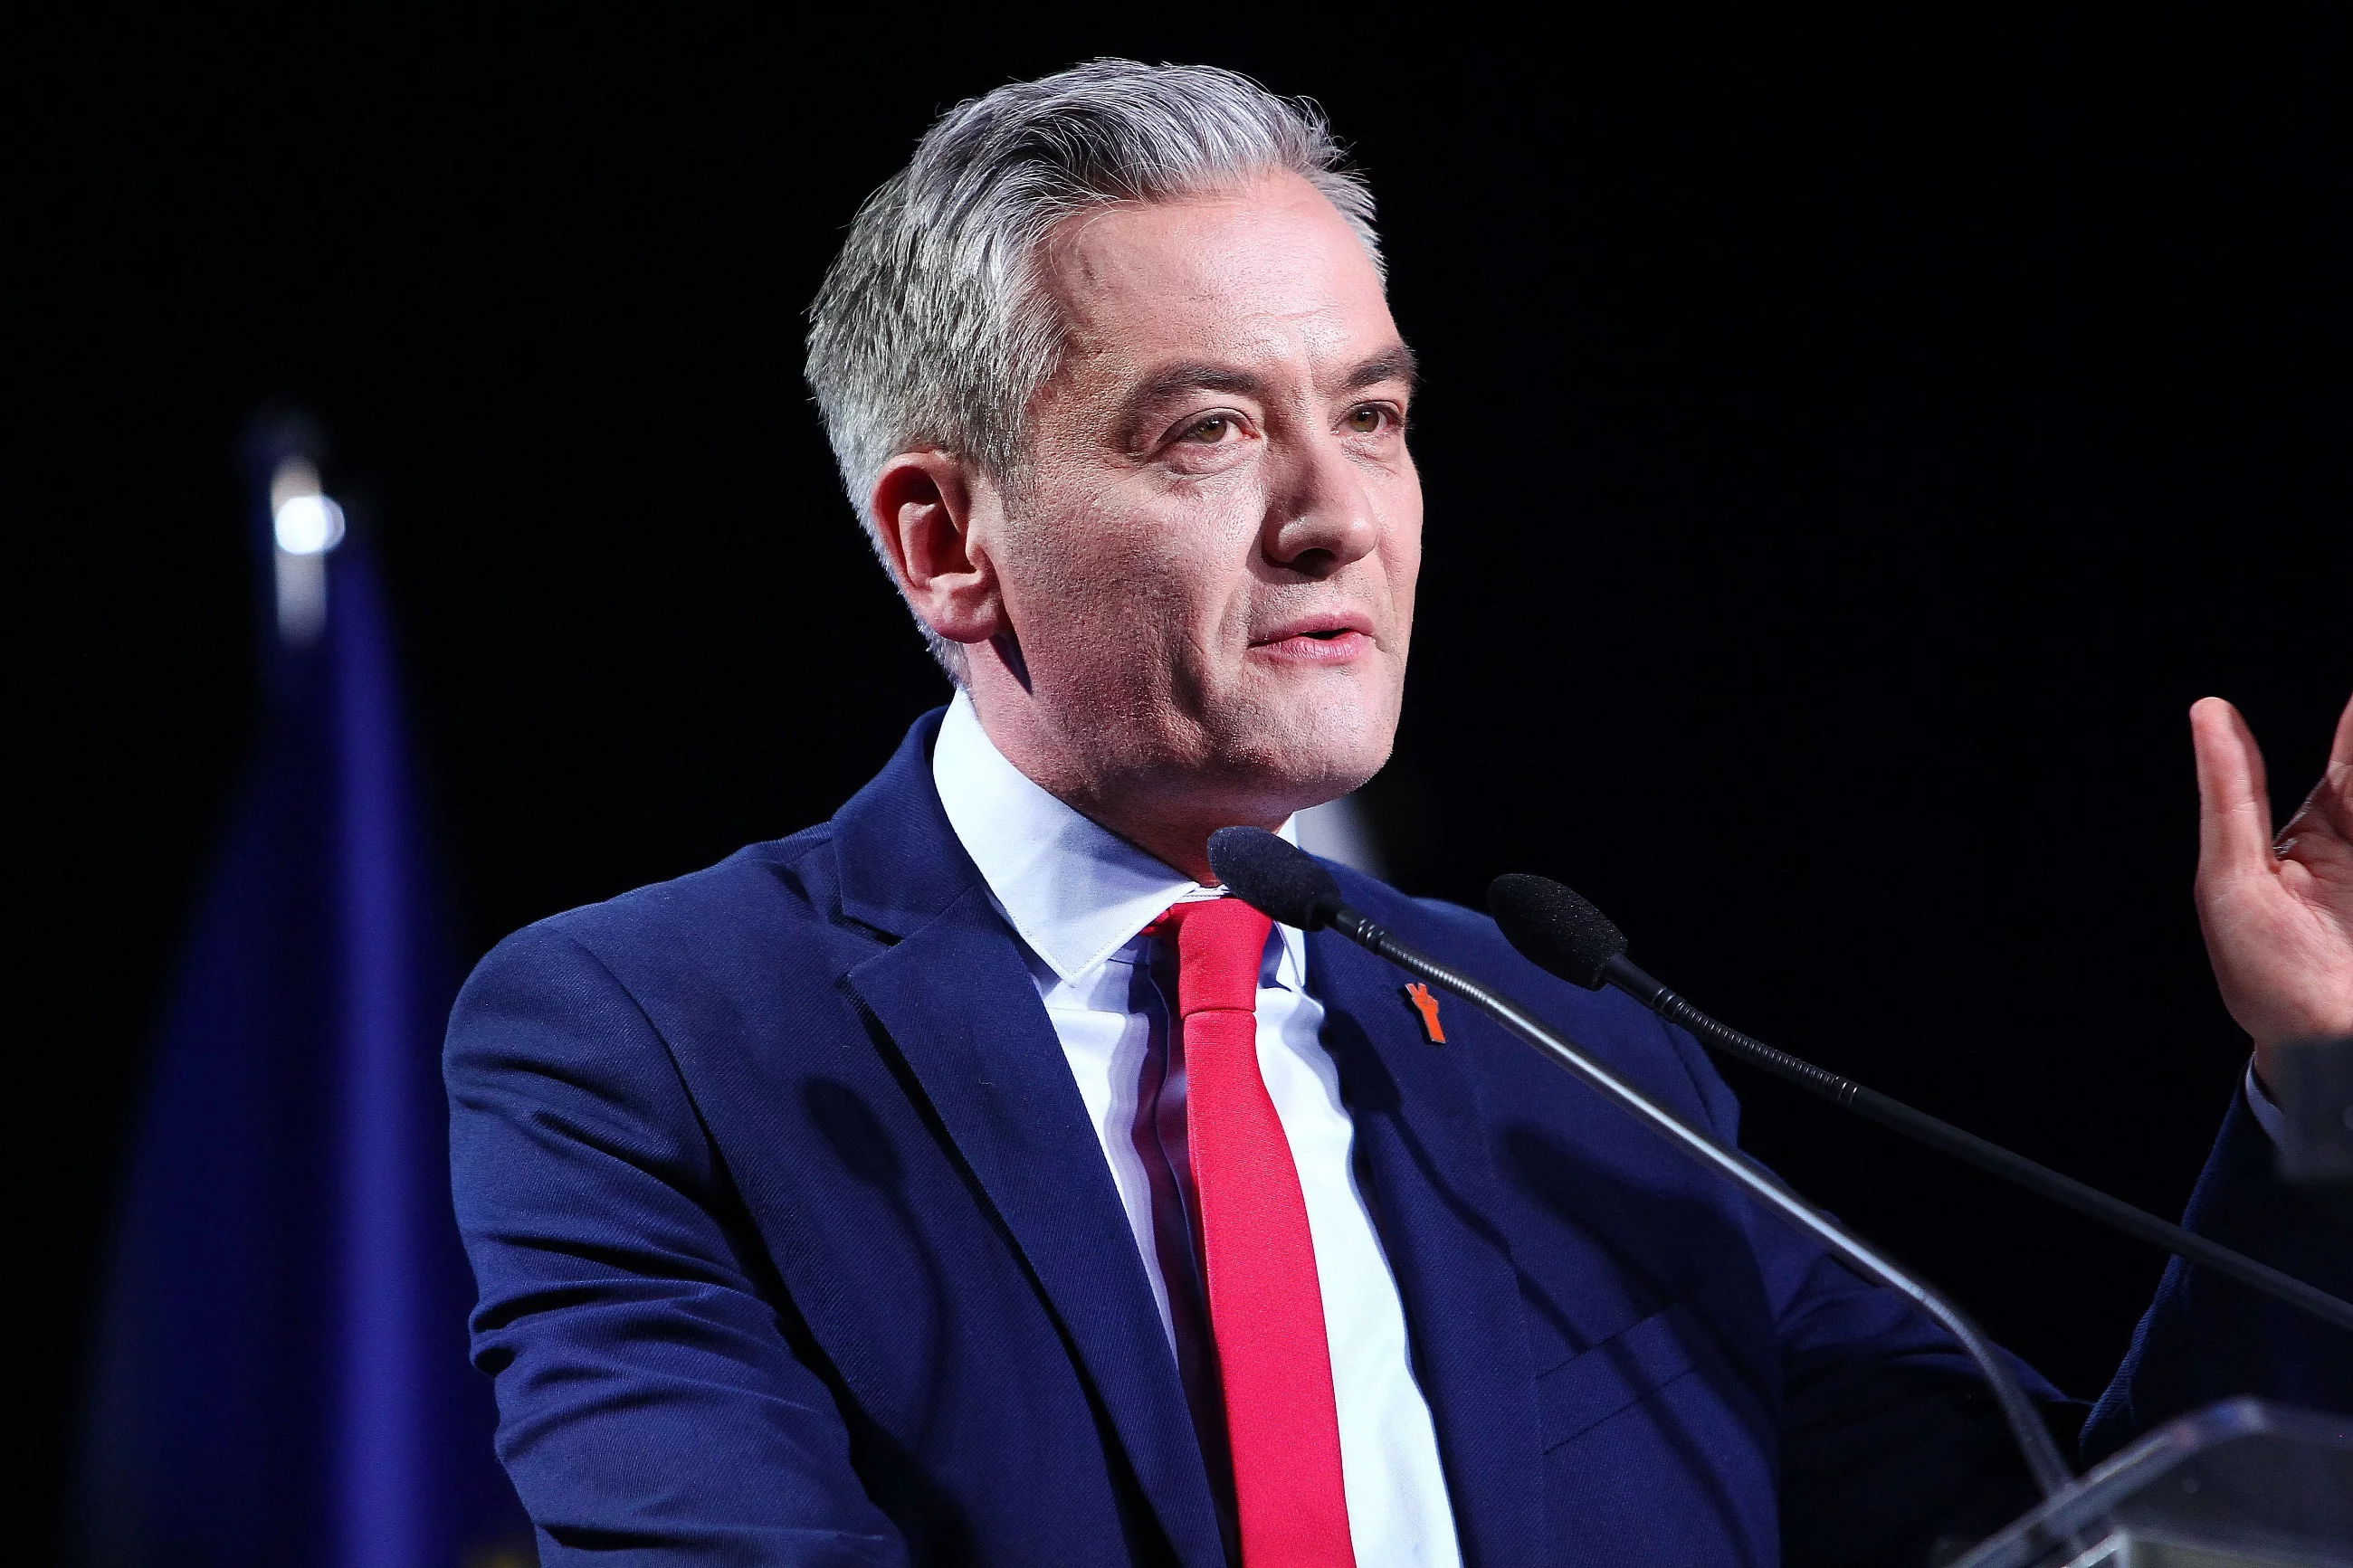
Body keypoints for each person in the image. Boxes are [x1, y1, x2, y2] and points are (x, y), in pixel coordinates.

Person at [444, 60, 2353, 1567]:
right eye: (1208, 429)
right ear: (947, 540)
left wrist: (2316, 1078)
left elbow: (2085, 1527)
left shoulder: (1572, 1048)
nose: (1337, 515)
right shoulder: (655, 1046)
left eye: (1369, 414)